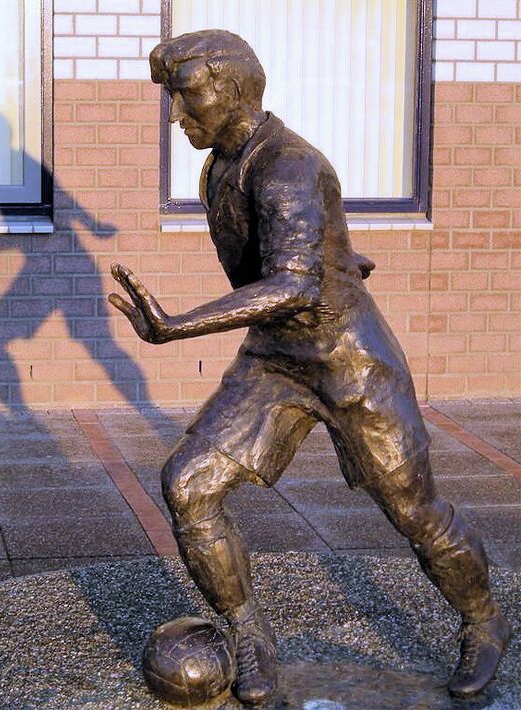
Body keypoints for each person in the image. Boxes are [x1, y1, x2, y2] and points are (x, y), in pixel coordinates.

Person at [108, 29, 511, 704]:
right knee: (188, 484)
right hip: (274, 359)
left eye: (188, 96)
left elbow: (294, 283)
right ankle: (248, 635)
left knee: (415, 512)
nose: (177, 115)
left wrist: (177, 326)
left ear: (235, 90)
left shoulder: (291, 166)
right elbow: (296, 252)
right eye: (173, 98)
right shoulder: (219, 168)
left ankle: (485, 620)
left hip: (350, 364)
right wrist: (340, 257)